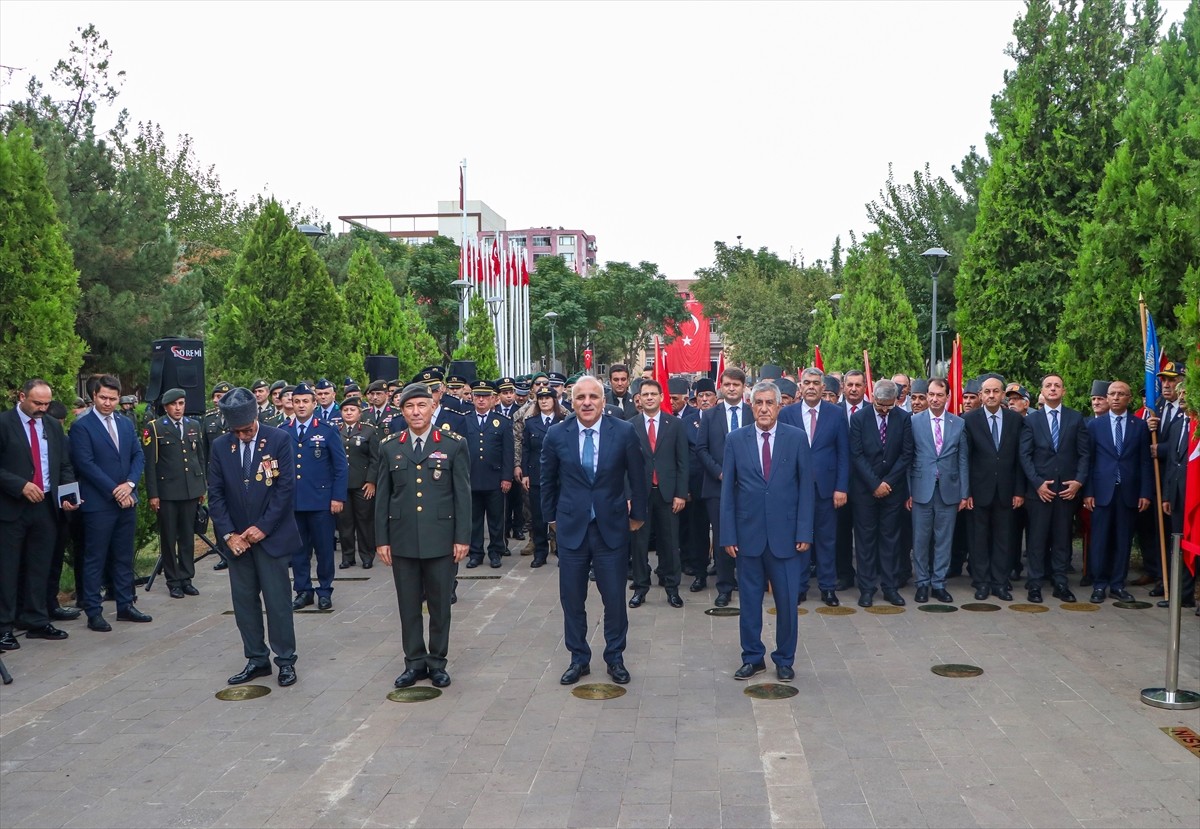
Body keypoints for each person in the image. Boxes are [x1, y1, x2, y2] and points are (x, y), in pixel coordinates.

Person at [542, 375, 646, 686]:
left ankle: (615, 657)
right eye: (580, 397)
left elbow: (638, 477)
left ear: (603, 401)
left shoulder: (624, 432)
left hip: (611, 528)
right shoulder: (557, 434)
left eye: (593, 397)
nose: (587, 402)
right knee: (572, 598)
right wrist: (551, 519)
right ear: (571, 402)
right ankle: (579, 658)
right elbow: (547, 480)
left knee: (614, 597)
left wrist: (638, 515)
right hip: (572, 528)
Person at [376, 383, 471, 689]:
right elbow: (383, 498)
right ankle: (414, 662)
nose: (415, 412)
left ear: (433, 408)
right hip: (402, 538)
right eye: (409, 407)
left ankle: (437, 661)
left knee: (440, 605)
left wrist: (462, 537)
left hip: (441, 538)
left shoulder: (454, 444)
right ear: (401, 411)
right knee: (408, 605)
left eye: (421, 406)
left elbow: (462, 496)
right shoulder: (390, 446)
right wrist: (382, 539)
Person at [720, 381, 814, 683]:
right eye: (758, 403)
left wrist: (804, 531)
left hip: (786, 537)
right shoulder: (735, 440)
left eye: (768, 403)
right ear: (751, 406)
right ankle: (752, 658)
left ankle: (785, 659)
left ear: (778, 406)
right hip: (748, 537)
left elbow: (806, 490)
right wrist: (728, 535)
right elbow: (727, 493)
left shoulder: (797, 439)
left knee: (787, 603)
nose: (763, 408)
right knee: (748, 602)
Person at [206, 387, 300, 687]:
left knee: (278, 603)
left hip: (270, 538)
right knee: (245, 602)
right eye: (237, 432)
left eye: (247, 430)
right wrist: (229, 534)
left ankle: (285, 660)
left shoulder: (279, 439)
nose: (243, 436)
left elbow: (285, 488)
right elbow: (216, 494)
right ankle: (256, 658)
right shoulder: (221, 446)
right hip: (238, 543)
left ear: (256, 417)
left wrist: (263, 527)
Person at [0, 379, 79, 650]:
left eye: (46, 404)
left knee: (40, 565)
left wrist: (68, 496)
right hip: (12, 507)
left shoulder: (52, 427)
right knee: (8, 569)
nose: (42, 409)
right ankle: (4, 626)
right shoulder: (3, 424)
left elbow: (64, 464)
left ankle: (35, 619)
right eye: (37, 403)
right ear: (21, 396)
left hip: (46, 506)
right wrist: (19, 485)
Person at [68, 374, 150, 632]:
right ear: (94, 396)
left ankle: (125, 604)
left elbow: (138, 455)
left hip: (126, 501)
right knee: (96, 558)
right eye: (103, 397)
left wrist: (130, 485)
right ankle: (93, 611)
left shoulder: (125, 424)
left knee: (123, 556)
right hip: (98, 503)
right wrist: (115, 490)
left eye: (113, 399)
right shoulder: (82, 426)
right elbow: (85, 464)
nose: (108, 403)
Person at [780, 367, 849, 607]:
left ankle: (828, 587)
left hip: (826, 490)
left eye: (815, 383)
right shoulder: (787, 414)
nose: (811, 386)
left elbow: (843, 454)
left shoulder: (836, 414)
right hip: (795, 490)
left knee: (826, 540)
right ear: (800, 387)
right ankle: (799, 587)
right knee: (798, 539)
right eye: (806, 382)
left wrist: (841, 487)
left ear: (823, 388)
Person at [1019, 373, 1089, 604]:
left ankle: (1060, 583)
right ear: (1041, 391)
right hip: (1040, 492)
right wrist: (1037, 483)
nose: (1052, 389)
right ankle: (1035, 584)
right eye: (1048, 385)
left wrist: (1078, 482)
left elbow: (1084, 454)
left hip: (1067, 491)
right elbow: (1025, 455)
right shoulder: (1031, 420)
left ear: (1063, 391)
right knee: (1037, 540)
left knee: (1062, 539)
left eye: (1057, 386)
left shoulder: (1076, 418)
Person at [1083, 380, 1153, 603]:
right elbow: (1089, 462)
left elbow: (1144, 463)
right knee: (1100, 540)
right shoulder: (1095, 425)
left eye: (1120, 394)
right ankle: (1099, 584)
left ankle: (1118, 584)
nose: (1115, 397)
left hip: (1129, 492)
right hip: (1102, 492)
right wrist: (1088, 492)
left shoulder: (1139, 426)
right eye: (1111, 394)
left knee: (1123, 540)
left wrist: (1145, 493)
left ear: (1128, 399)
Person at [848, 379, 913, 607]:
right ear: (873, 397)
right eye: (880, 405)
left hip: (893, 491)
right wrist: (874, 484)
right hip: (865, 491)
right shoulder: (859, 418)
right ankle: (866, 588)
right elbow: (856, 455)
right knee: (865, 541)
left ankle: (890, 587)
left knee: (890, 540)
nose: (884, 410)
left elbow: (906, 454)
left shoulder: (904, 418)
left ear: (896, 401)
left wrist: (888, 483)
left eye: (889, 406)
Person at [284, 382, 347, 611]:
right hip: (294, 502)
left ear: (314, 403)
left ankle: (324, 590)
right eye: (297, 401)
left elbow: (340, 467)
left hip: (321, 502)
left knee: (323, 549)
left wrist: (338, 497)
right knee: (298, 551)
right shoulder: (284, 430)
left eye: (305, 401)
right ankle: (303, 591)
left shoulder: (327, 430)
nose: (301, 406)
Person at [963, 376, 1026, 602]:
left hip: (1007, 491)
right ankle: (981, 582)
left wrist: (1019, 491)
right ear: (981, 395)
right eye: (987, 392)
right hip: (978, 491)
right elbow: (965, 459)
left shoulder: (1015, 420)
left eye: (996, 391)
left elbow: (1021, 459)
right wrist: (966, 491)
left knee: (1004, 538)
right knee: (978, 539)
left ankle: (999, 583)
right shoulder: (969, 420)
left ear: (1002, 394)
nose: (991, 395)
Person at [907, 378, 968, 604]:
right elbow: (908, 458)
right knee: (921, 540)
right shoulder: (914, 422)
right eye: (930, 394)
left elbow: (963, 460)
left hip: (949, 490)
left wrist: (964, 492)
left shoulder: (958, 423)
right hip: (921, 489)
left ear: (947, 397)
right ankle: (922, 583)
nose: (933, 399)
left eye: (939, 395)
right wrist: (908, 492)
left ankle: (939, 583)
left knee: (944, 539)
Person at [629, 379, 688, 609]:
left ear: (661, 397)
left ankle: (672, 589)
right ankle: (640, 589)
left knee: (670, 543)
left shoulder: (674, 425)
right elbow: (626, 464)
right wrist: (628, 495)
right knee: (639, 544)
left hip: (668, 494)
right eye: (646, 394)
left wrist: (681, 494)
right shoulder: (630, 425)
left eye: (654, 393)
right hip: (640, 495)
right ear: (640, 399)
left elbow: (683, 462)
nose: (650, 397)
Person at [142, 387, 206, 599]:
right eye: (173, 405)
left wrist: (201, 486)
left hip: (190, 489)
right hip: (167, 491)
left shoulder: (193, 425)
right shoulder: (155, 427)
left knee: (188, 536)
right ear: (166, 407)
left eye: (181, 404)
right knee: (169, 538)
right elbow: (150, 465)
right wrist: (153, 494)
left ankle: (187, 577)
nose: (178, 408)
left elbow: (200, 457)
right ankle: (173, 580)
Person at [697, 368, 752, 607]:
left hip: (749, 487)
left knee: (748, 535)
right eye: (727, 384)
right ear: (722, 385)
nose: (731, 388)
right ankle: (725, 586)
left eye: (736, 385)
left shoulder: (753, 413)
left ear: (743, 387)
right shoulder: (710, 416)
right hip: (717, 486)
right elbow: (701, 449)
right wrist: (720, 472)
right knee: (722, 536)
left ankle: (748, 581)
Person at [463, 380, 514, 569]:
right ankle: (476, 553)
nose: (481, 400)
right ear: (473, 398)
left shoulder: (502, 421)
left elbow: (508, 452)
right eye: (478, 396)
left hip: (495, 479)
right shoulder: (465, 420)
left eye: (485, 396)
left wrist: (507, 477)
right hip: (472, 478)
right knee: (474, 520)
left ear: (493, 399)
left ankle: (496, 552)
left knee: (496, 519)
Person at [520, 387, 567, 567]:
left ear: (555, 400)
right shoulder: (531, 423)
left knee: (560, 514)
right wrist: (525, 473)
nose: (544, 401)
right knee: (539, 517)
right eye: (541, 398)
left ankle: (562, 551)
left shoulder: (563, 421)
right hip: (537, 475)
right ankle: (540, 553)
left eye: (548, 398)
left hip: (559, 477)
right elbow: (525, 449)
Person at [336, 397, 380, 569]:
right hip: (342, 485)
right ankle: (348, 557)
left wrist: (371, 481)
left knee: (365, 522)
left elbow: (375, 459)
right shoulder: (336, 431)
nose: (348, 413)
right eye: (345, 410)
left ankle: (367, 555)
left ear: (360, 413)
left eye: (352, 410)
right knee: (345, 523)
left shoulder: (369, 431)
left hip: (363, 484)